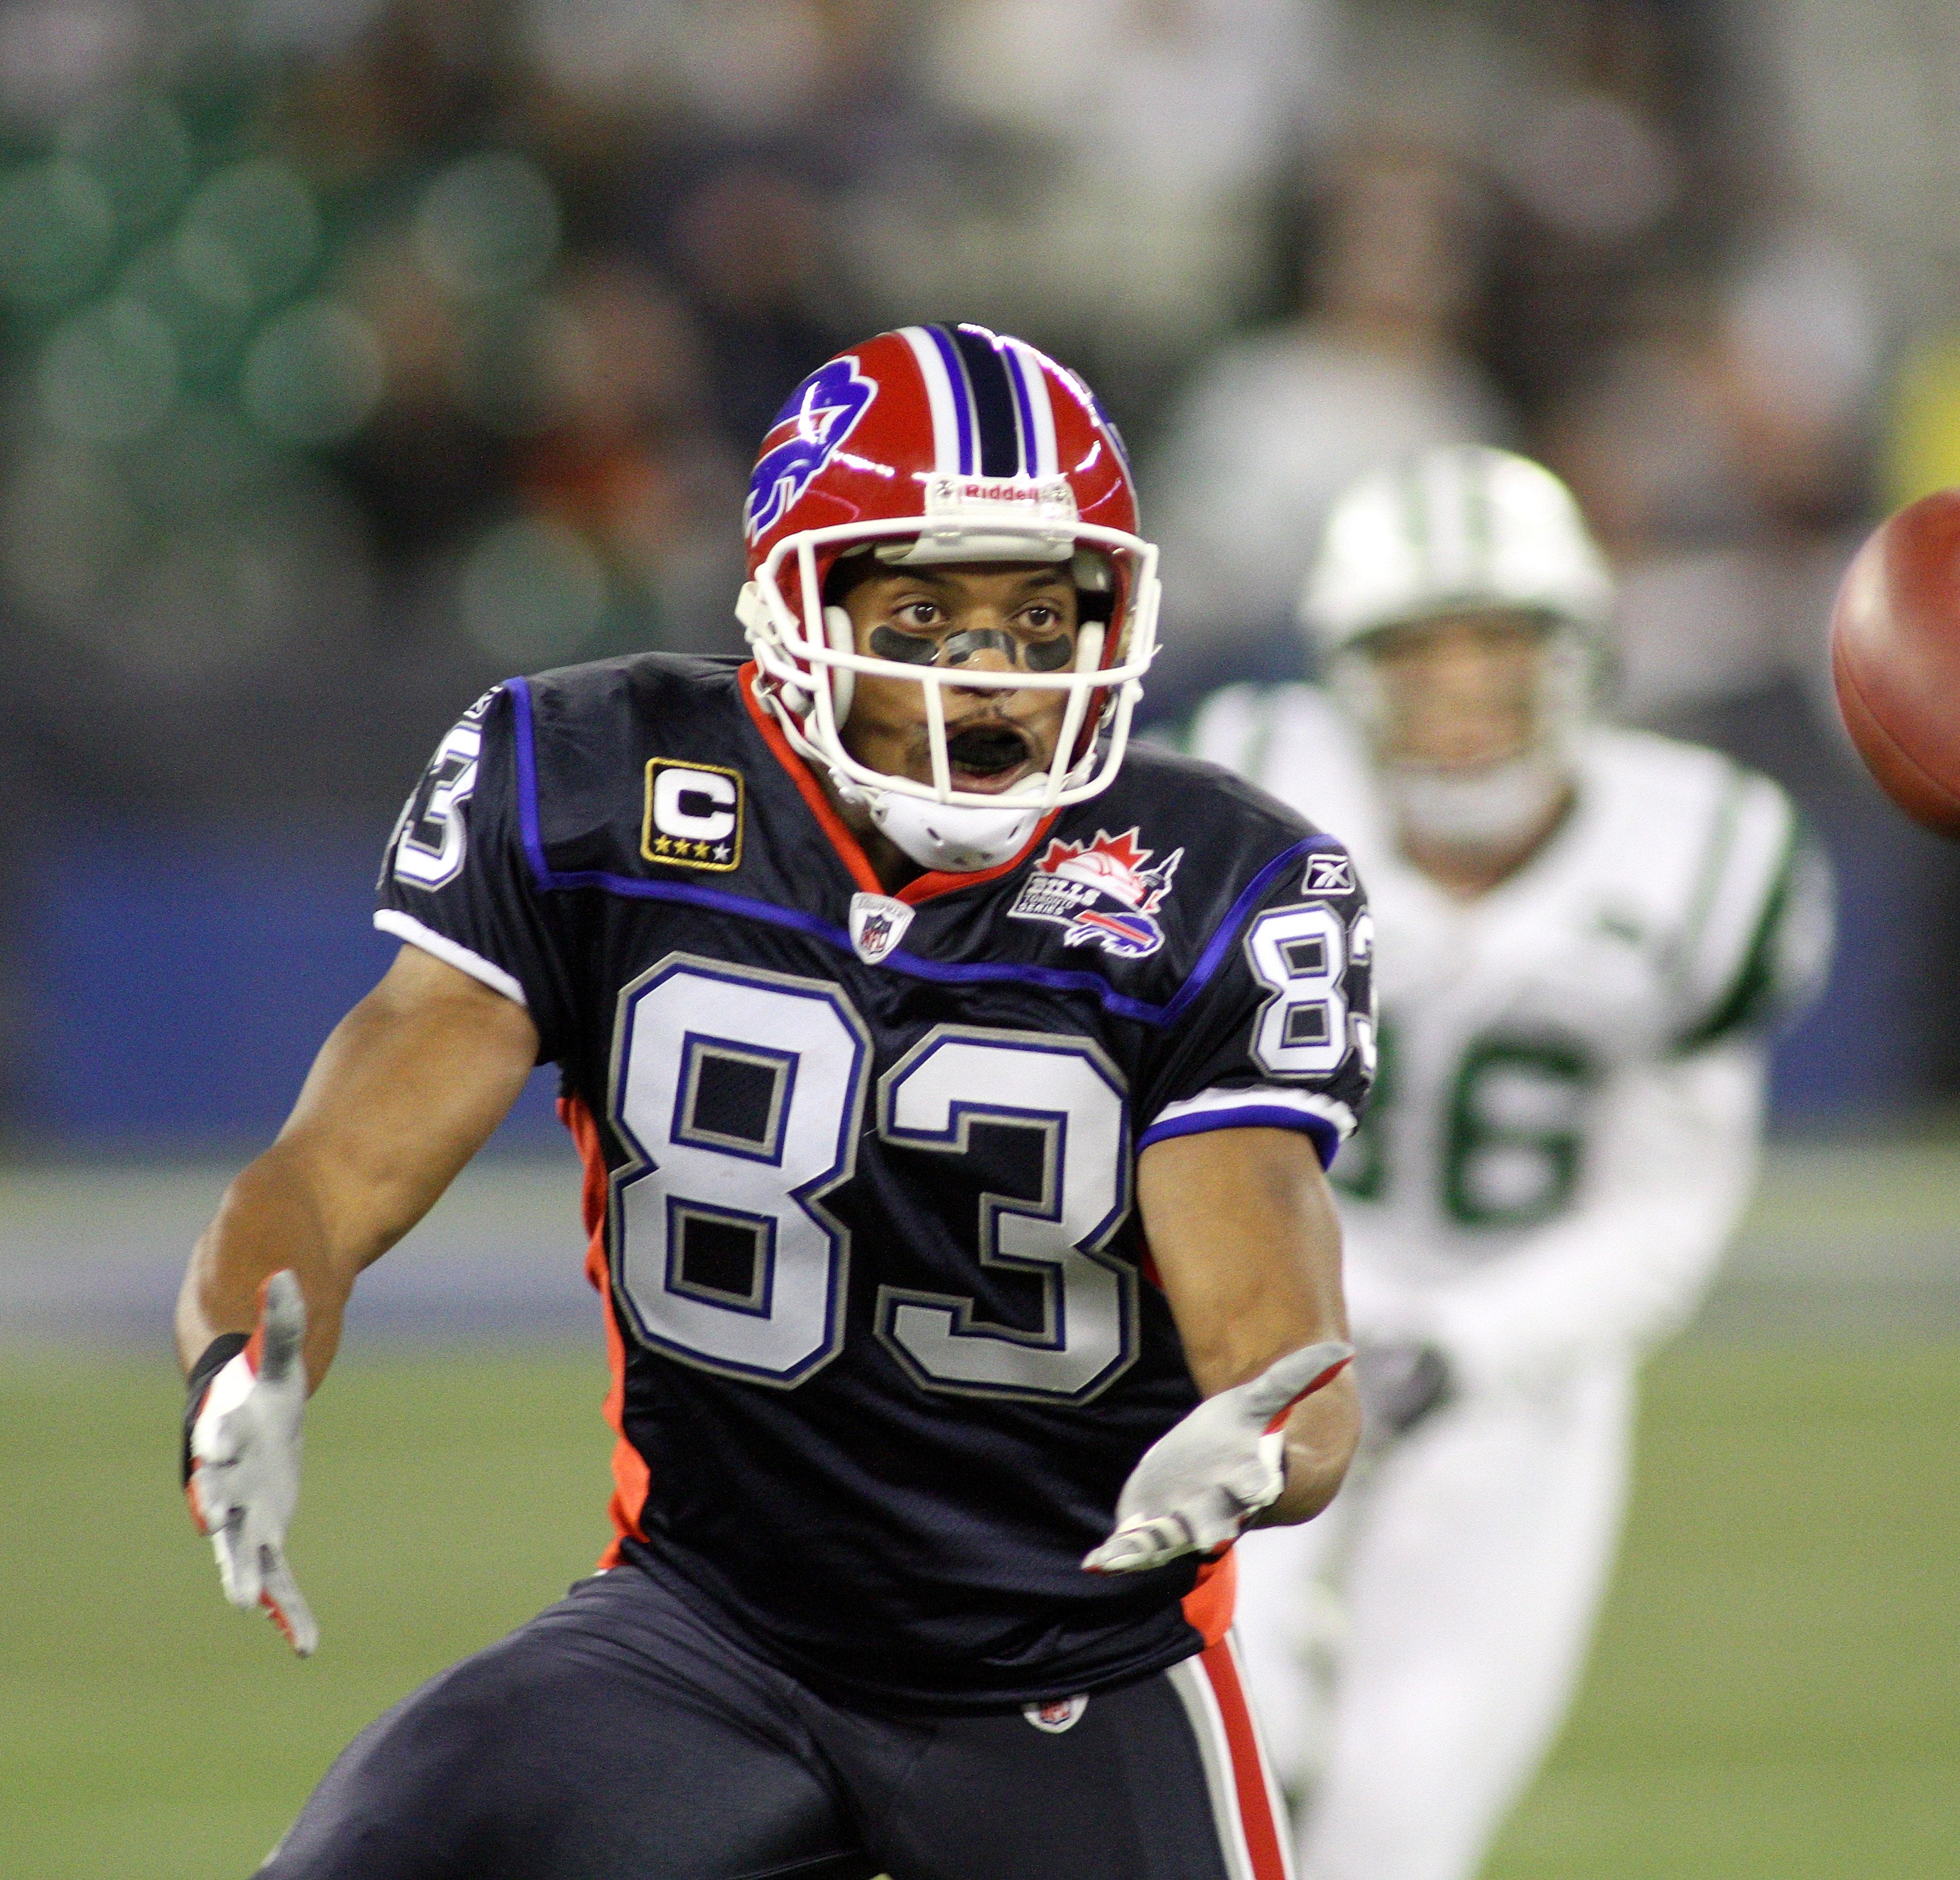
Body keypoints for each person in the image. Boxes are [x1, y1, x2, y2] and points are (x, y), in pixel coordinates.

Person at [176, 323, 1374, 1880]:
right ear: (794, 603)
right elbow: (331, 1172)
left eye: (1036, 610)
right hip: (701, 1636)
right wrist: (234, 1370)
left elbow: (1273, 1314)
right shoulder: (595, 779)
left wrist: (1267, 1440)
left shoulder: (1218, 880)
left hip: (1066, 1671)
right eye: (926, 611)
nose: (990, 672)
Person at [1187, 445, 1830, 1880]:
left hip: (1516, 1378)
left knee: (1399, 1831)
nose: (1465, 692)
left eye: (1499, 647)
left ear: (1579, 661)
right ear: (1353, 676)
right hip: (1252, 1334)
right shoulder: (1255, 793)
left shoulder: (1698, 855)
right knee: (1206, 1772)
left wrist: (1454, 1349)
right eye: (1421, 653)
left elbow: (1664, 1214)